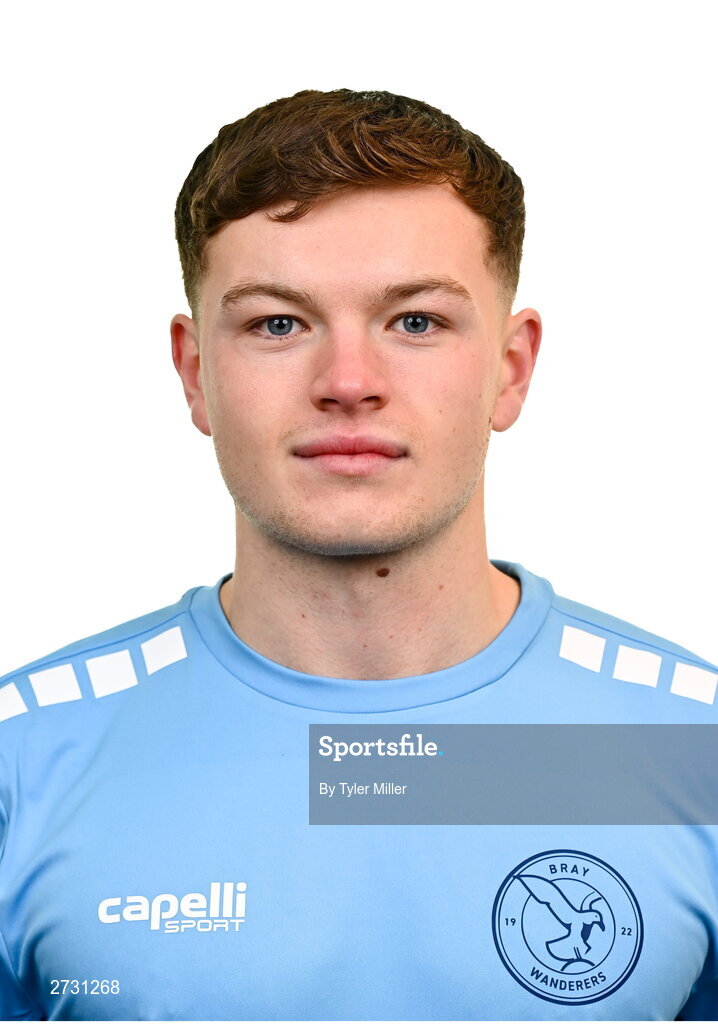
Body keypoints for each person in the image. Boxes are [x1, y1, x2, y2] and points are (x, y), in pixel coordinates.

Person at [0, 88, 716, 1022]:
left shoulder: (691, 749)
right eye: (278, 323)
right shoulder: (25, 761)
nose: (347, 383)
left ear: (511, 368)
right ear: (195, 373)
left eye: (415, 321)